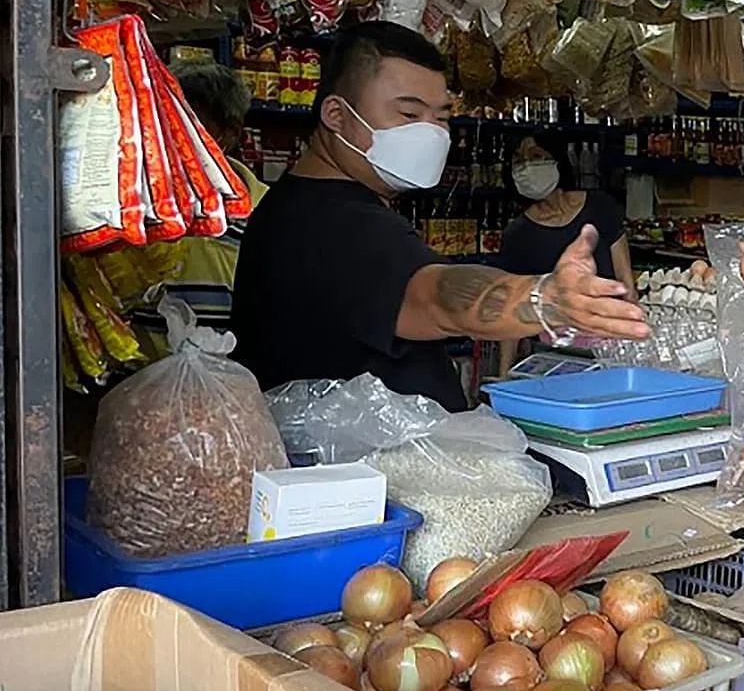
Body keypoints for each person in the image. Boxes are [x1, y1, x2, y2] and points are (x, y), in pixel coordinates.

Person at [232, 21, 647, 412]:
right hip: (360, 476)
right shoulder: (333, 223)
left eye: (442, 117)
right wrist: (544, 298)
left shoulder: (299, 204)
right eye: (409, 115)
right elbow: (435, 297)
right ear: (336, 116)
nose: (431, 134)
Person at [131, 61, 268, 358]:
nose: (175, 135)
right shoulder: (136, 201)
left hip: (229, 382)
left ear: (228, 134)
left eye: (191, 123)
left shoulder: (266, 212)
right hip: (140, 384)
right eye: (167, 121)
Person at [494, 133, 634, 375]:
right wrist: (503, 374)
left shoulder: (600, 207)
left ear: (557, 161)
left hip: (610, 344)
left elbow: (626, 282)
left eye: (537, 156)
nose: (527, 166)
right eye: (519, 160)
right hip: (555, 354)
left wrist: (633, 344)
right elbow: (513, 306)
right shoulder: (518, 235)